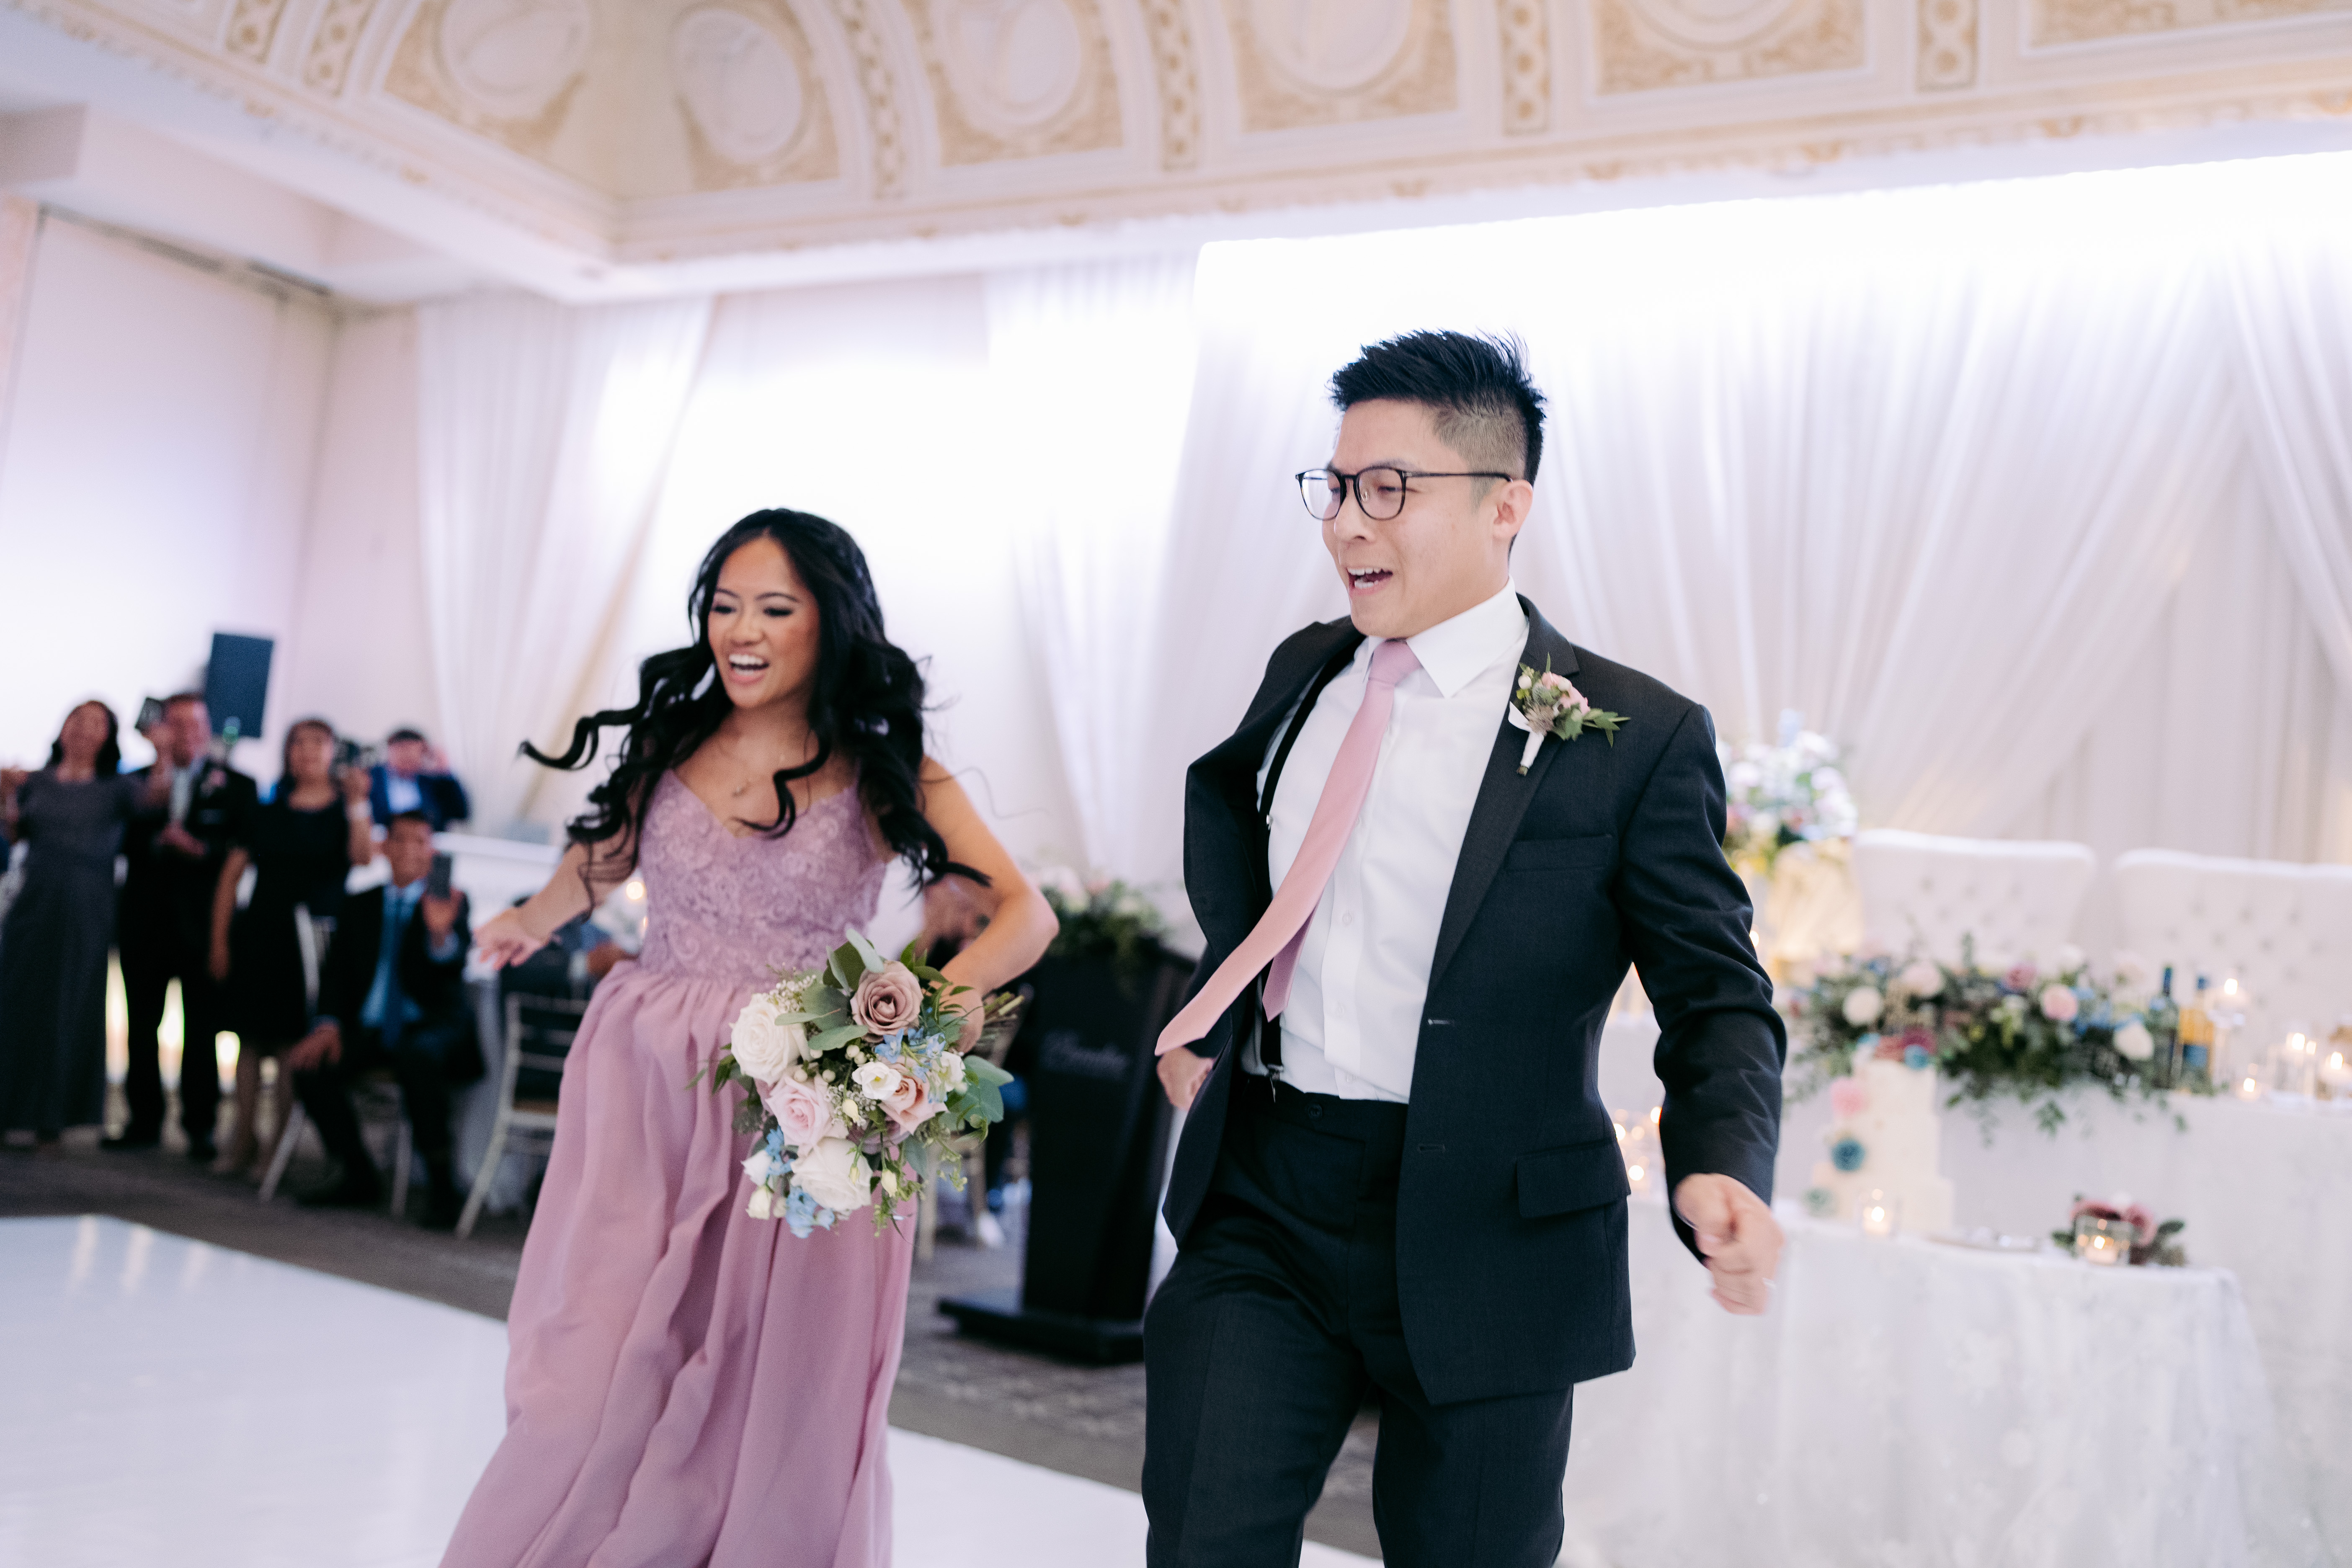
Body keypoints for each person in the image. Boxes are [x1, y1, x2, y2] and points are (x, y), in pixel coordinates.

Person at [1143, 333, 1787, 1567]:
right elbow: (1243, 842)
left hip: (1496, 1222)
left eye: (1389, 488)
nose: (1346, 523)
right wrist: (1214, 1011)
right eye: (1335, 486)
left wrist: (1723, 1159)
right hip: (1269, 1191)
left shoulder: (1635, 735)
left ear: (1506, 506)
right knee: (1202, 1539)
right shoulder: (1304, 672)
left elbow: (1717, 992)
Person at [440, 509, 1057, 1568]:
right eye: (725, 606)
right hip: (644, 1081)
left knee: (763, 1394)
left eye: (774, 608)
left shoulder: (884, 765)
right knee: (585, 1371)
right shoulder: (672, 740)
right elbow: (602, 857)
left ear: (830, 622)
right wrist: (528, 919)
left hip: (801, 1094)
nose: (741, 630)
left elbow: (1026, 915)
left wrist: (919, 1019)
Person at [285, 811, 478, 1225]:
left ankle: (442, 1186)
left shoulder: (449, 902)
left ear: (432, 851)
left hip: (430, 1025)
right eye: (401, 840)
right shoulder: (360, 903)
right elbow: (336, 974)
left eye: (420, 842)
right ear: (384, 847)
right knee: (309, 1066)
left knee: (418, 1058)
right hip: (370, 1028)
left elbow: (453, 969)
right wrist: (328, 1024)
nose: (410, 850)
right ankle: (356, 1172)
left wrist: (439, 934)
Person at [207, 718, 376, 1176]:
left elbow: (363, 857)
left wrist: (359, 803)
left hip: (312, 944)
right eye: (298, 743)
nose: (306, 752)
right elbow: (232, 874)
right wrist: (219, 940)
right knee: (248, 1042)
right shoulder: (268, 808)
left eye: (317, 743)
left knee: (289, 1043)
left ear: (333, 751)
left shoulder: (345, 811)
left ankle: (276, 1148)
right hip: (262, 932)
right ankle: (241, 1136)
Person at [0, 702, 168, 1146]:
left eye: (97, 724)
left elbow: (158, 798)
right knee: (16, 1001)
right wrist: (6, 799)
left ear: (108, 737)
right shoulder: (36, 780)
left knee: (69, 1005)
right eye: (78, 719)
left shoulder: (118, 787)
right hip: (35, 899)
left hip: (87, 905)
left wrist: (163, 750)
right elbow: (16, 833)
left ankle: (53, 1114)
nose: (84, 730)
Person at [113, 692, 258, 1160]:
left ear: (207, 729)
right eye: (176, 725)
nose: (186, 735)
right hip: (145, 923)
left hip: (203, 926)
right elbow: (121, 841)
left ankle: (201, 1126)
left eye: (195, 725)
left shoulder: (237, 785)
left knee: (202, 1029)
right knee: (142, 1026)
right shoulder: (136, 783)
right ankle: (143, 1120)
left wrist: (199, 849)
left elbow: (242, 850)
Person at [368, 727, 470, 832]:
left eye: (415, 751)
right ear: (390, 749)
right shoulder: (370, 778)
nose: (409, 756)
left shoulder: (433, 782)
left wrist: (444, 771)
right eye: (404, 749)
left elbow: (461, 813)